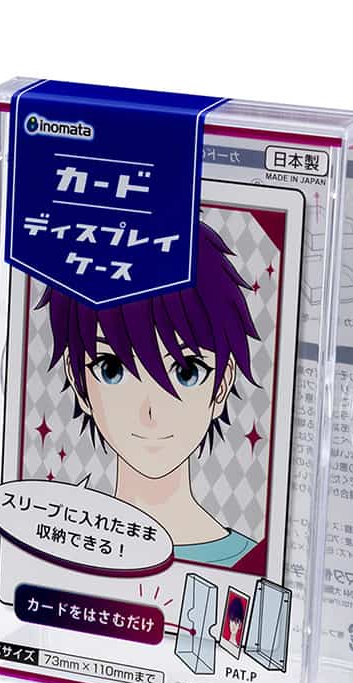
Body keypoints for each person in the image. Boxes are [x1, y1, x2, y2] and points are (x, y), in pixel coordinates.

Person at [39, 221, 260, 567]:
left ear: (223, 384)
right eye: (111, 369)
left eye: (187, 373)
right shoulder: (54, 549)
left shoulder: (249, 565)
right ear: (77, 379)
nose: (150, 412)